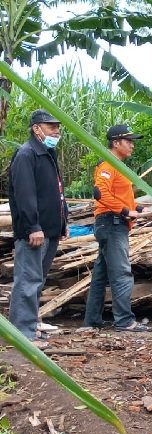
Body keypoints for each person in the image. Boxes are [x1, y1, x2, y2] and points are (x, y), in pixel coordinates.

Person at [8, 109, 69, 349]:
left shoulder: (47, 153)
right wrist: (33, 226)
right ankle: (22, 333)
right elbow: (25, 195)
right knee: (27, 279)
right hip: (34, 231)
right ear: (37, 129)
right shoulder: (27, 154)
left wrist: (63, 222)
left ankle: (30, 326)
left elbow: (57, 191)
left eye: (57, 127)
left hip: (50, 229)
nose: (57, 131)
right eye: (51, 127)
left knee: (37, 278)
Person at [83, 125, 151, 333]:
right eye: (128, 141)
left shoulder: (119, 167)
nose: (132, 145)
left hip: (113, 223)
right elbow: (100, 193)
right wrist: (124, 211)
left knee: (101, 275)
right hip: (111, 224)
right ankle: (124, 321)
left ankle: (92, 321)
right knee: (121, 273)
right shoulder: (107, 165)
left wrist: (138, 208)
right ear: (115, 143)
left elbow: (121, 197)